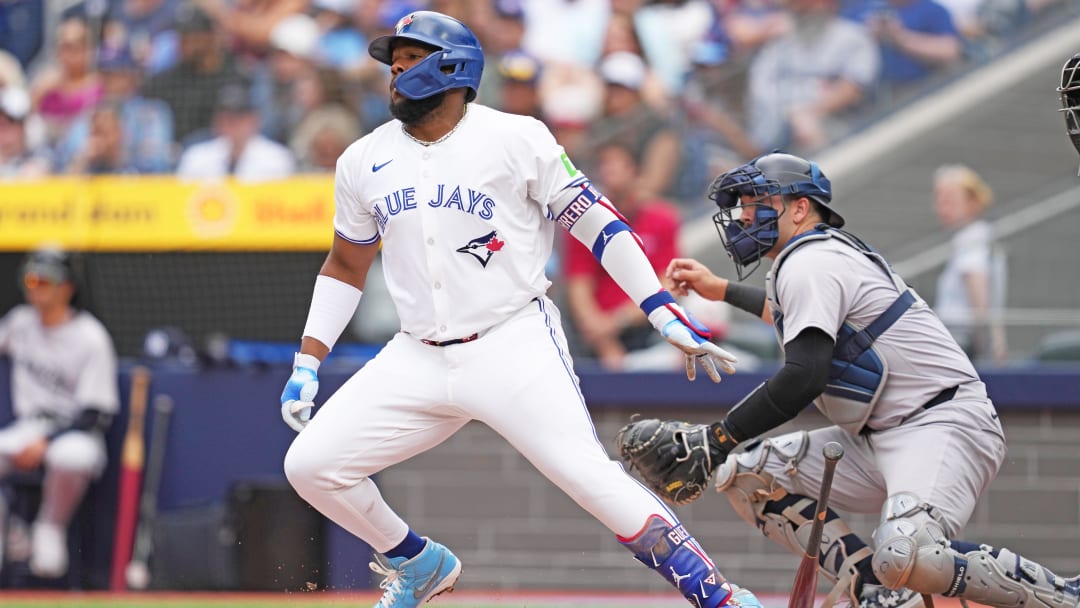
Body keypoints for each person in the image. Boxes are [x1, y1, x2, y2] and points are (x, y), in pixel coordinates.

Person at [278, 11, 763, 608]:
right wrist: (308, 359)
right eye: (393, 63)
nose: (395, 74)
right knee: (311, 466)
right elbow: (346, 266)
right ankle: (417, 562)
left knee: (588, 476)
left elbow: (599, 225)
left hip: (511, 340)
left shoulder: (517, 137)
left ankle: (718, 597)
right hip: (417, 352)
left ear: (453, 69)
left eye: (410, 60)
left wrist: (660, 308)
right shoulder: (363, 159)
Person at [620, 151, 1079, 608]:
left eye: (758, 202)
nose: (743, 215)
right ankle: (873, 595)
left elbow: (805, 375)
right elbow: (793, 319)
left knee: (907, 554)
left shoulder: (811, 262)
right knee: (746, 476)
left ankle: (1064, 597)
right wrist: (722, 291)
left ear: (799, 208)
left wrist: (718, 438)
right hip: (879, 437)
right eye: (741, 203)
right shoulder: (808, 258)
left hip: (941, 422)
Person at [0, 247, 118, 579]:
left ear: (66, 287)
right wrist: (35, 439)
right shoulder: (19, 323)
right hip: (27, 427)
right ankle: (14, 539)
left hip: (74, 433)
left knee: (72, 457)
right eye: (31, 279)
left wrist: (46, 442)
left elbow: (95, 413)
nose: (35, 287)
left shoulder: (90, 335)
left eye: (44, 281)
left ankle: (50, 527)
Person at [931, 164, 1006, 363]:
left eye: (949, 200)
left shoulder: (972, 241)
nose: (941, 206)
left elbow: (979, 298)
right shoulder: (974, 239)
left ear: (973, 203)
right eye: (939, 198)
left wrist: (985, 353)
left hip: (960, 348)